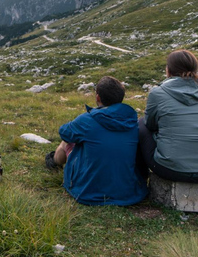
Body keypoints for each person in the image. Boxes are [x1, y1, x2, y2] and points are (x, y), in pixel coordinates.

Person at [45, 76, 148, 206]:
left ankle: (53, 161)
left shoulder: (87, 120)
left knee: (68, 141)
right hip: (128, 193)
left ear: (98, 97)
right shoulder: (132, 121)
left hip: (88, 193)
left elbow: (64, 132)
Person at [137, 50, 198, 183]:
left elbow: (150, 125)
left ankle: (140, 178)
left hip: (171, 169)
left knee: (141, 125)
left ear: (168, 70)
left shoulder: (158, 93)